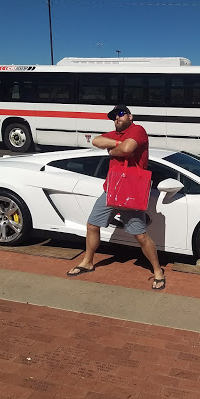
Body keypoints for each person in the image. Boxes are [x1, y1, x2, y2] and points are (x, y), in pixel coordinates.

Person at [67, 104, 166, 290]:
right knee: (92, 224)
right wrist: (116, 143)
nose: (117, 118)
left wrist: (113, 149)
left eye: (120, 114)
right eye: (114, 117)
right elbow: (96, 141)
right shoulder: (116, 134)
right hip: (111, 189)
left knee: (141, 236)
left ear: (130, 115)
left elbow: (127, 149)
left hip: (131, 192)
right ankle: (87, 262)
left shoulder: (138, 130)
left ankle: (158, 271)